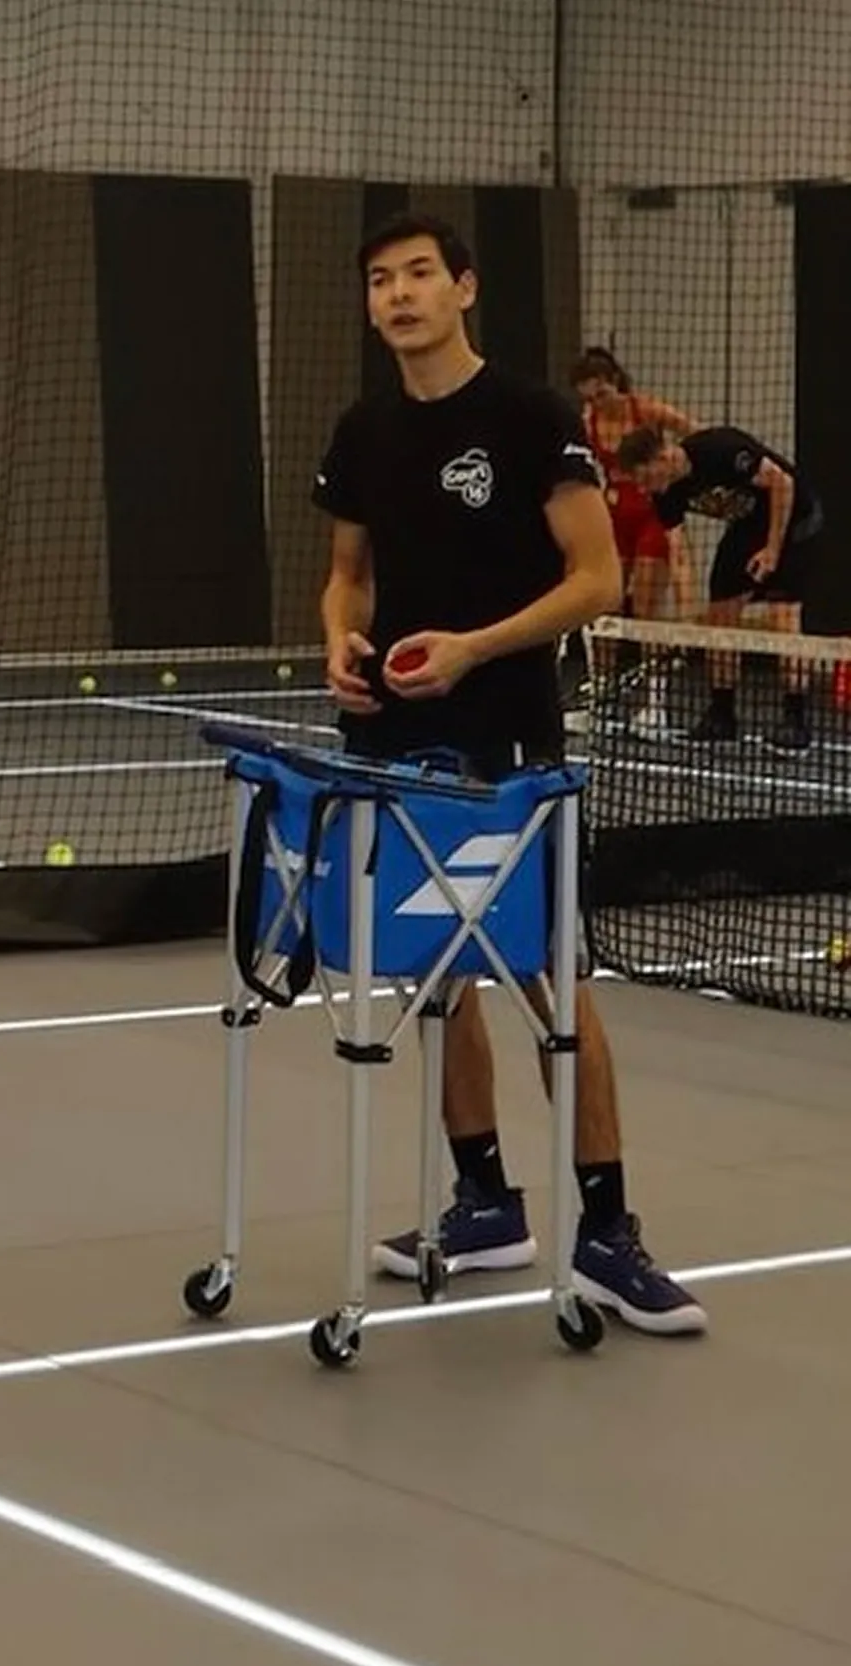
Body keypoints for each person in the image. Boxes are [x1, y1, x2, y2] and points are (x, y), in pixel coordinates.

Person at [312, 211, 704, 1336]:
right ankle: (485, 1205)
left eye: (420, 274)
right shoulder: (363, 430)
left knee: (551, 983)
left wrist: (478, 648)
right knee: (436, 981)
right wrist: (341, 642)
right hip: (393, 741)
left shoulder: (533, 419)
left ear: (465, 289)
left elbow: (597, 583)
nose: (400, 295)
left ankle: (610, 1234)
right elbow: (346, 576)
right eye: (381, 279)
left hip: (510, 743)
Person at [616, 420, 828, 749]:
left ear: (664, 458)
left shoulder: (720, 449)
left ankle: (795, 720)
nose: (644, 489)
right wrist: (687, 618)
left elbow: (782, 484)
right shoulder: (665, 495)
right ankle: (721, 715)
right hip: (746, 527)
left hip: (794, 520)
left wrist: (772, 551)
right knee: (719, 619)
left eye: (645, 478)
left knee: (784, 619)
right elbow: (679, 553)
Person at [568, 348, 700, 731]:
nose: (596, 403)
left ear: (616, 383)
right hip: (614, 518)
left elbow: (699, 436)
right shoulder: (587, 423)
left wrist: (681, 477)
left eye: (601, 395)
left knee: (645, 606)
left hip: (652, 516)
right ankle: (601, 699)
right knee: (605, 606)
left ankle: (654, 702)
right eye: (589, 398)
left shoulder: (648, 411)